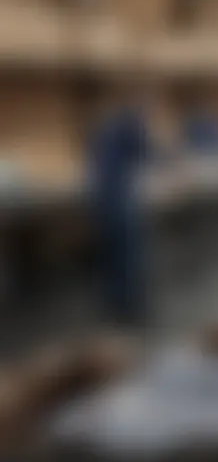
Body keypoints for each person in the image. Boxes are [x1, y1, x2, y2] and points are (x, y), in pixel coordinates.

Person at [86, 79, 154, 327]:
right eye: (146, 105)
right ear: (137, 103)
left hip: (100, 195)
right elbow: (147, 153)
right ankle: (132, 308)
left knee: (112, 251)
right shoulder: (131, 124)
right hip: (119, 196)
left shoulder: (107, 125)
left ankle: (114, 305)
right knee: (129, 251)